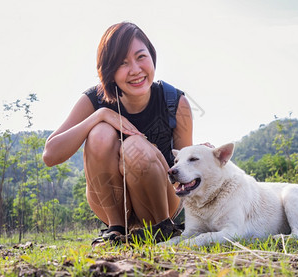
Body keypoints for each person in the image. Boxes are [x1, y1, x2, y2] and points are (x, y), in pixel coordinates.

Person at [42, 22, 193, 246]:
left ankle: (164, 229)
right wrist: (100, 115)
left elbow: (185, 169)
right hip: (111, 201)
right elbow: (50, 155)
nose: (135, 69)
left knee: (135, 147)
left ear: (152, 57)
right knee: (100, 132)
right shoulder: (95, 100)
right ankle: (115, 231)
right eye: (122, 63)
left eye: (141, 56)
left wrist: (201, 155)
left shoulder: (174, 102)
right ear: (109, 71)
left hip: (160, 201)